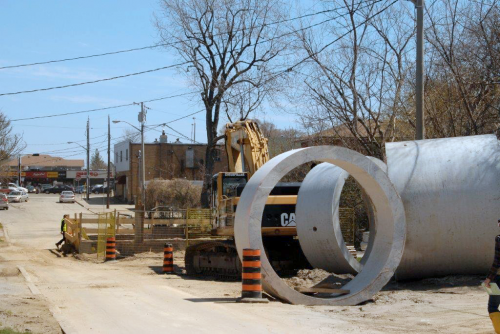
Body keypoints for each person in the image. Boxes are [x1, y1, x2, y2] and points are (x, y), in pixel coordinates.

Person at [484, 219, 500, 333]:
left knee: (493, 307)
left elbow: (497, 261)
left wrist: (489, 278)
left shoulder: (499, 239)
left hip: (498, 278)